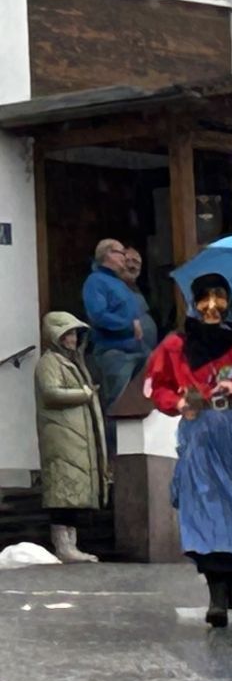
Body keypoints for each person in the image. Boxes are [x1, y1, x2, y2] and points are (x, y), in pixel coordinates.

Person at [144, 274, 232, 627]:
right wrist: (177, 401)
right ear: (193, 303)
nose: (211, 306)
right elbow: (156, 385)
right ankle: (217, 598)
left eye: (218, 297)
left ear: (229, 301)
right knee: (210, 508)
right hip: (201, 432)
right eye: (203, 298)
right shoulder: (176, 344)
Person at [34, 312, 109, 564]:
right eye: (67, 333)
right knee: (63, 493)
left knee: (72, 493)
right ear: (56, 336)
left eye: (75, 333)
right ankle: (63, 546)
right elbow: (50, 393)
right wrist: (84, 393)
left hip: (74, 437)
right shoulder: (49, 362)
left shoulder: (73, 361)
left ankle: (71, 545)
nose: (73, 338)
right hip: (62, 436)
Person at [82, 239, 152, 410]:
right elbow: (98, 315)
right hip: (116, 354)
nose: (125, 257)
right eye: (121, 253)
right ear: (108, 255)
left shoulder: (119, 282)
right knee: (119, 406)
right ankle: (113, 438)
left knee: (142, 404)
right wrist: (129, 325)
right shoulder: (96, 281)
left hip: (139, 352)